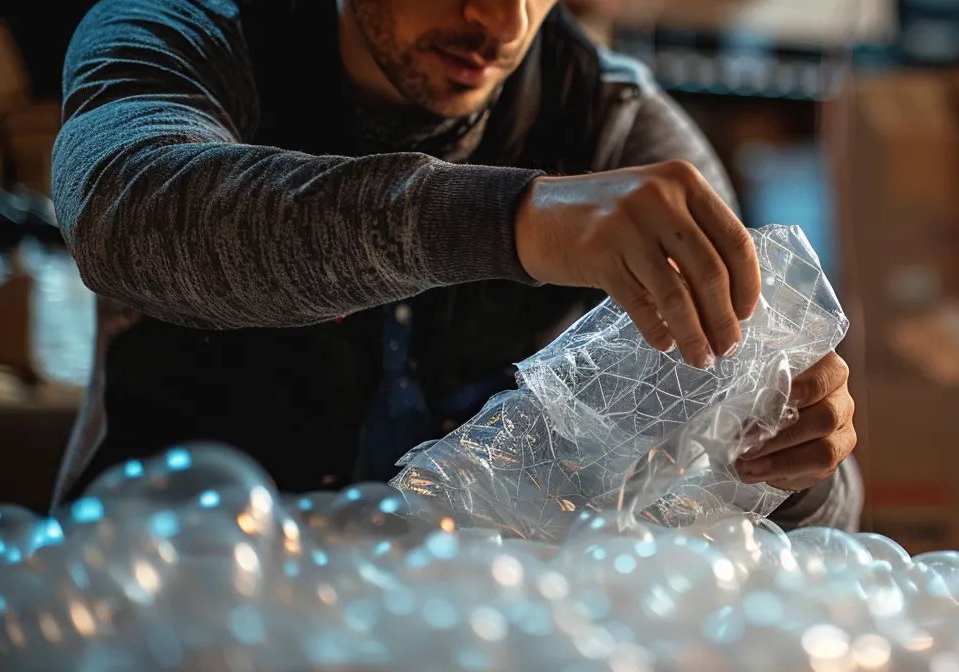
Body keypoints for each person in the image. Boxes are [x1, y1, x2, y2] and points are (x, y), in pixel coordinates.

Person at [49, 0, 862, 531]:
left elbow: (829, 519)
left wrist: (793, 465)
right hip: (159, 602)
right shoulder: (192, 31)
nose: (502, 22)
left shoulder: (614, 125)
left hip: (477, 634)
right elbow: (123, 208)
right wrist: (513, 220)